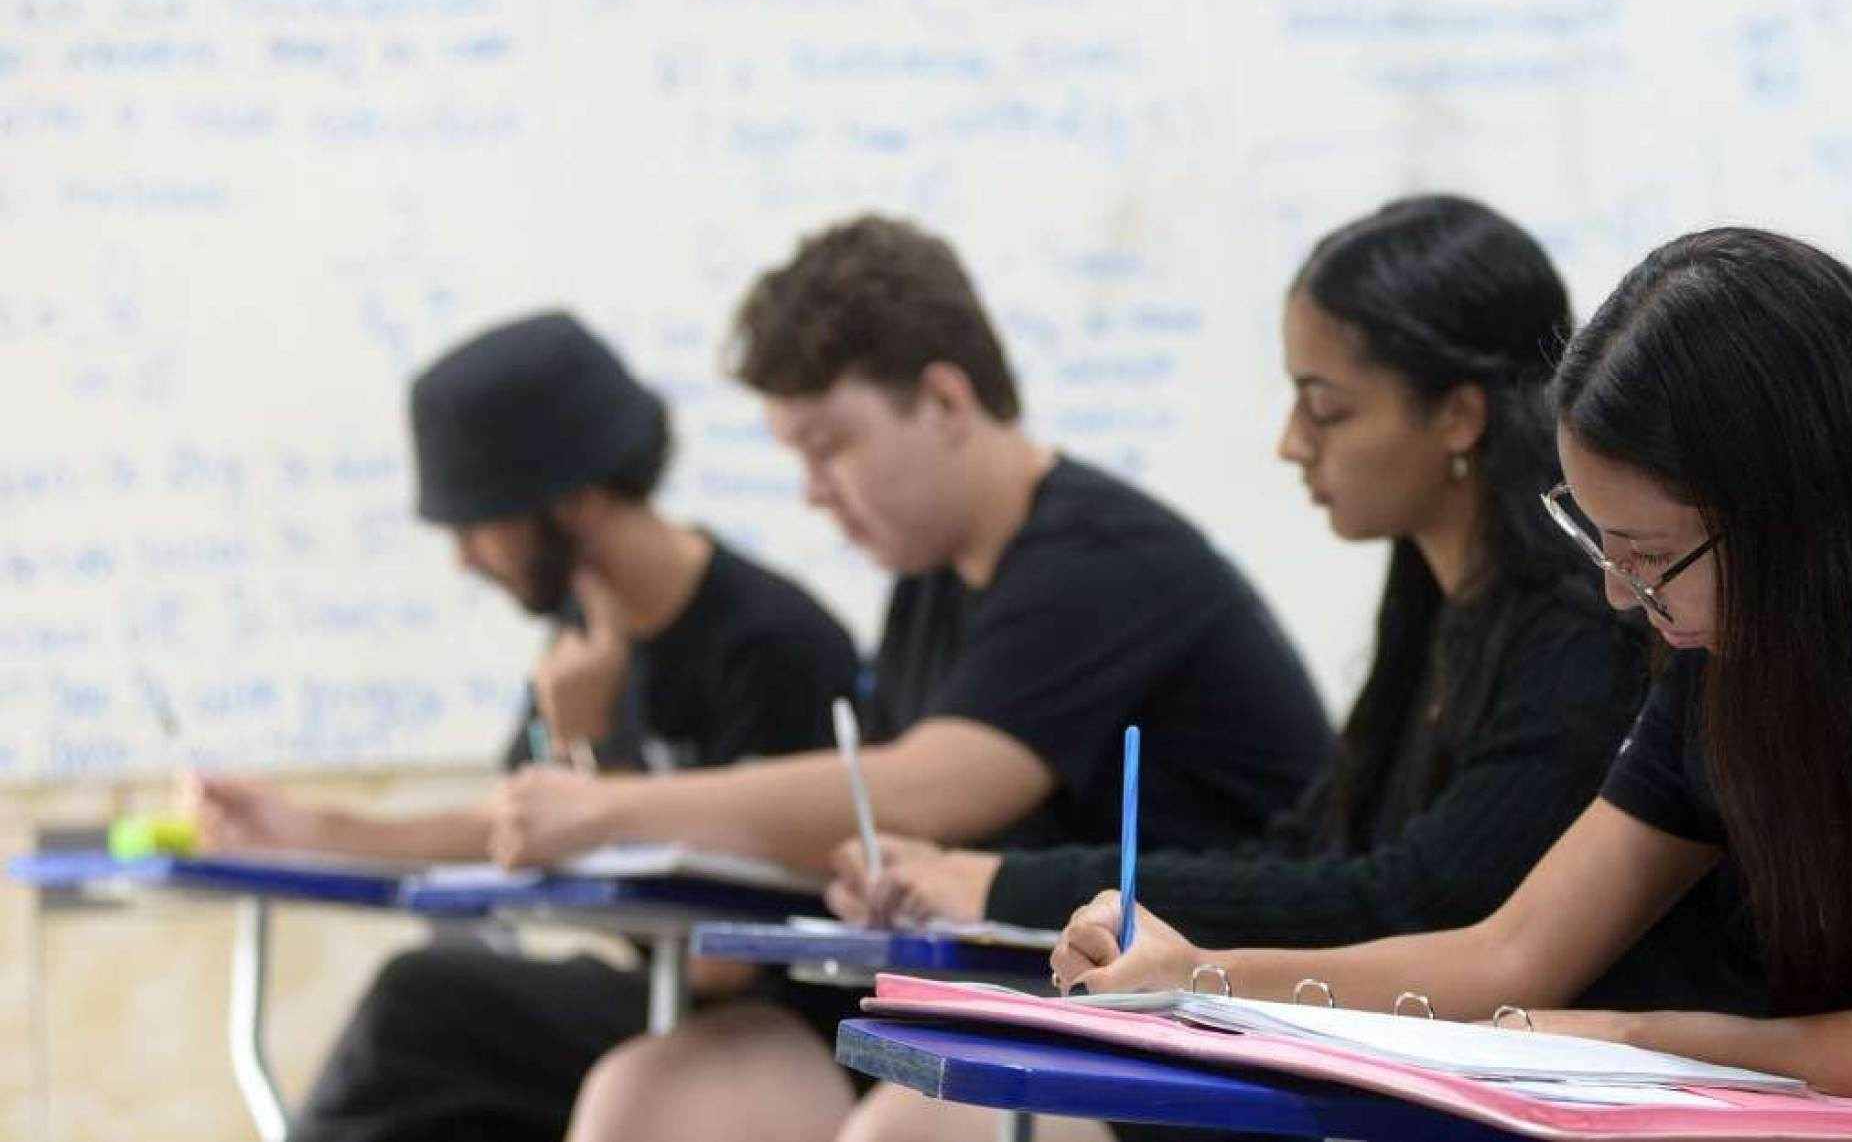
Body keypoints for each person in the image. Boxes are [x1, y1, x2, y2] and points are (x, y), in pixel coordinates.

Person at [1054, 227, 1852, 1142]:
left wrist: (1633, 1039)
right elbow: (1509, 954)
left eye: (1649, 554)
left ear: (1797, 518)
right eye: (1599, 542)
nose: (1617, 592)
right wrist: (1196, 975)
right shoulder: (1726, 648)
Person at [827, 196, 1759, 1142]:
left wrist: (1020, 895)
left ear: (1458, 415)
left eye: (1327, 408)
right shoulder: (1435, 608)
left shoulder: (1591, 635)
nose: (1290, 443)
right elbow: (1320, 855)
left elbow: (1420, 905)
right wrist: (1126, 933)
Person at [505, 215, 1333, 1142]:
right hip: (1019, 1005)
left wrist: (606, 810)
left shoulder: (1101, 559)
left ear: (943, 401)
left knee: (907, 1130)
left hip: (1210, 1037)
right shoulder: (927, 587)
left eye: (830, 446)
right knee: (649, 1101)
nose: (813, 489)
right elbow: (892, 828)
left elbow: (928, 788)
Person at [189, 310, 862, 1142]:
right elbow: (510, 824)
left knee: (423, 1006)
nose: (464, 558)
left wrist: (587, 745)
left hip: (778, 1029)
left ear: (572, 498)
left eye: (478, 523)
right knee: (435, 1026)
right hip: (664, 1000)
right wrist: (309, 831)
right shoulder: (582, 637)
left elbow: (723, 961)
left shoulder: (774, 645)